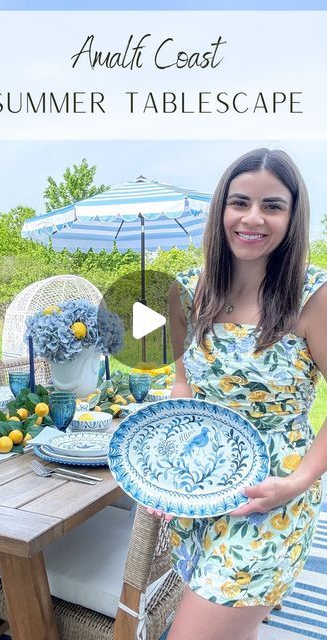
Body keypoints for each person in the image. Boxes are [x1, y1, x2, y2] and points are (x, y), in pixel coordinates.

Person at [149, 148, 327, 640]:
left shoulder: (312, 297)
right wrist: (165, 471)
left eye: (272, 205)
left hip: (271, 500)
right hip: (204, 489)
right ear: (220, 210)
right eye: (239, 202)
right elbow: (183, 388)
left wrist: (296, 483)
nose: (252, 218)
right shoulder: (186, 291)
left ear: (292, 218)